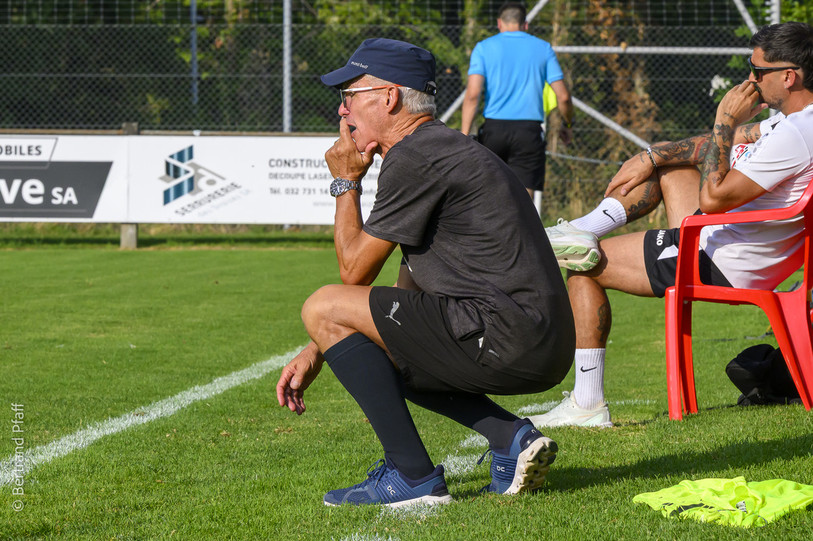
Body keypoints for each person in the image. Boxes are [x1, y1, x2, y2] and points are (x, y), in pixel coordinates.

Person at [275, 38, 575, 506]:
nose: (342, 111)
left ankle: (411, 477)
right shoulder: (440, 148)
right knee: (377, 338)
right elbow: (406, 289)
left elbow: (353, 270)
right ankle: (508, 438)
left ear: (389, 97)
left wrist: (344, 181)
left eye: (350, 95)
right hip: (538, 340)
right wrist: (318, 349)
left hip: (510, 336)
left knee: (323, 303)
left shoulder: (415, 156)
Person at [532, 21, 813, 428]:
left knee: (582, 266)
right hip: (723, 241)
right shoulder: (792, 123)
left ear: (789, 76)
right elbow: (717, 147)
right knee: (672, 166)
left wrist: (725, 118)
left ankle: (587, 404)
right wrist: (652, 154)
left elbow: (713, 198)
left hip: (723, 261)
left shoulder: (798, 134)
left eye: (758, 72)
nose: (750, 80)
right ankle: (577, 229)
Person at [461, 1, 574, 200]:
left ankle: (491, 230)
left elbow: (472, 95)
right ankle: (521, 230)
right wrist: (568, 123)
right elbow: (563, 96)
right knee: (523, 198)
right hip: (528, 132)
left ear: (499, 23)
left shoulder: (483, 48)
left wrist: (463, 134)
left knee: (489, 192)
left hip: (493, 130)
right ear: (526, 24)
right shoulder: (543, 48)